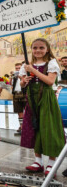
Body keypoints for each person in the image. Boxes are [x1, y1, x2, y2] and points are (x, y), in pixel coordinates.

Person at [19, 38, 64, 176]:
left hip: (46, 99)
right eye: (35, 48)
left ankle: (51, 164)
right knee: (35, 128)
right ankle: (38, 161)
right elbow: (21, 85)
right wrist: (24, 81)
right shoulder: (27, 65)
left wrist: (33, 70)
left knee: (48, 129)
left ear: (47, 49)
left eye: (41, 48)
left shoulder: (51, 63)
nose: (38, 50)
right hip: (32, 99)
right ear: (31, 49)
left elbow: (50, 81)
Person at [10, 63, 26, 136]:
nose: (18, 70)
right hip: (16, 94)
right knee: (19, 112)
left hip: (24, 94)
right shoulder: (14, 77)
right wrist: (11, 77)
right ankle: (22, 128)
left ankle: (27, 127)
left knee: (27, 111)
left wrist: (20, 77)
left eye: (19, 68)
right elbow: (10, 84)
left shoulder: (25, 76)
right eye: (16, 68)